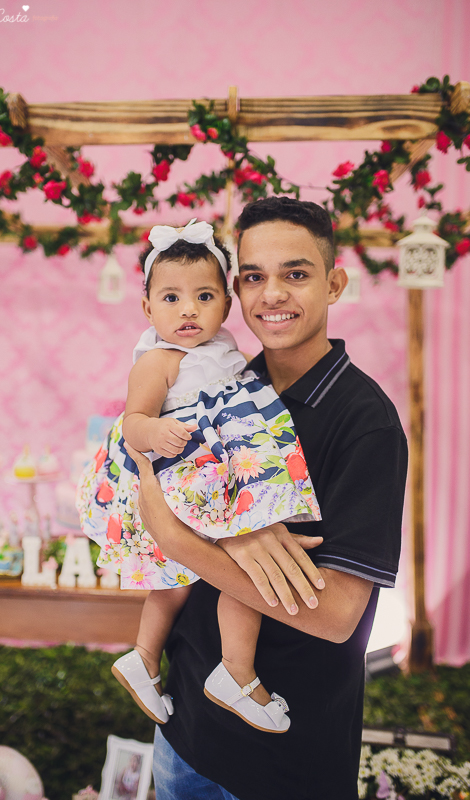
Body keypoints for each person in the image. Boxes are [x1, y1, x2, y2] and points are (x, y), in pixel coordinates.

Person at [126, 197, 408, 800]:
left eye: (295, 273)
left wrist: (182, 539)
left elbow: (337, 618)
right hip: (185, 729)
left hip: (286, 757)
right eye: (253, 276)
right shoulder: (220, 384)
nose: (272, 294)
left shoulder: (366, 423)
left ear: (334, 284)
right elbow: (141, 475)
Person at [77, 218, 323, 735]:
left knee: (182, 581)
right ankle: (236, 671)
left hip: (216, 475)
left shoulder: (225, 350)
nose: (188, 309)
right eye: (171, 298)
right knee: (243, 568)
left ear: (226, 306)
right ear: (147, 308)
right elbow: (133, 421)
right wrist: (154, 430)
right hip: (184, 474)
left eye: (204, 296)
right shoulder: (158, 361)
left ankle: (145, 658)